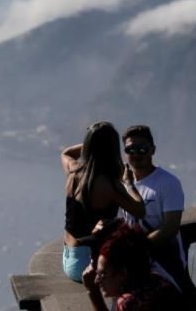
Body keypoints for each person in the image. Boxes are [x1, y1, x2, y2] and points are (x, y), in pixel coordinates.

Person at [118, 125, 196, 310]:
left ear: (152, 150)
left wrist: (137, 249)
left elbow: (170, 228)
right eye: (130, 150)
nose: (136, 154)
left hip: (165, 264)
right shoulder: (123, 186)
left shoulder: (168, 182)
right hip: (134, 268)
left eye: (142, 149)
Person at [62, 121, 146, 282]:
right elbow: (140, 210)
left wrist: (91, 141)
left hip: (69, 258)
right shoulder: (108, 185)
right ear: (112, 149)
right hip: (87, 263)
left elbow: (66, 153)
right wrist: (128, 183)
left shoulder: (74, 170)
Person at [82, 223, 184, 311]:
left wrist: (93, 293)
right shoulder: (158, 280)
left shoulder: (128, 303)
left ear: (122, 273)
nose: (96, 280)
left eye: (102, 274)